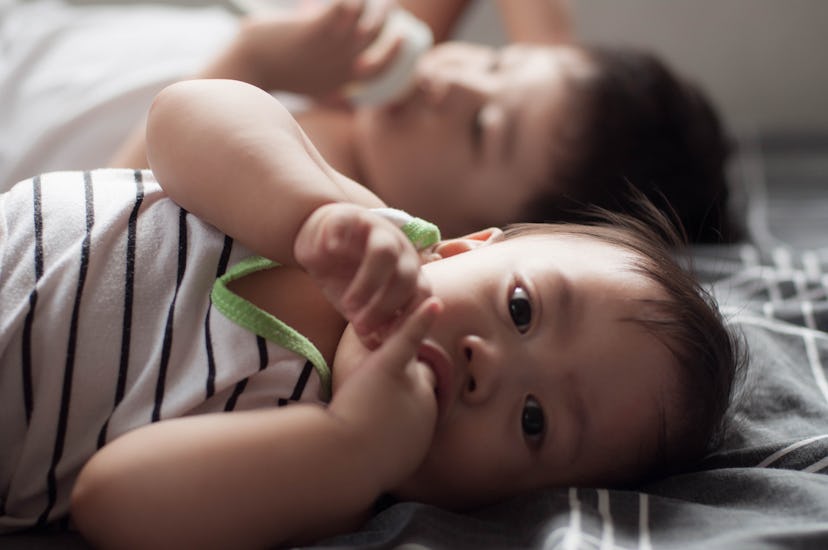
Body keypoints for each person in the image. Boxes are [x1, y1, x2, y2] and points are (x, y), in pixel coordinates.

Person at [0, 79, 743, 547]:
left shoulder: (320, 484)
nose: (493, 364)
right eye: (521, 309)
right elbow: (182, 116)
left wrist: (349, 444)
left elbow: (112, 506)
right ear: (461, 248)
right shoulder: (357, 224)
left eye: (534, 421)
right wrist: (303, 211)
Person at [0, 0, 735, 242]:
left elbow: (92, 230)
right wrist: (548, 64)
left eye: (483, 129)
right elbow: (541, 101)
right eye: (493, 62)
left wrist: (254, 62)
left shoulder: (305, 212)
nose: (452, 78)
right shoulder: (379, 79)